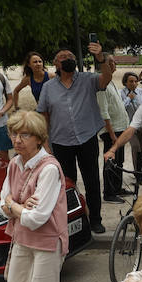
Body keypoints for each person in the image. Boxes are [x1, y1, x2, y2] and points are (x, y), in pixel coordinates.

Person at [0, 111, 72, 282]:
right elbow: (0, 203)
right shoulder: (15, 164)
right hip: (22, 238)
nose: (17, 140)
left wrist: (12, 205)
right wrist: (16, 206)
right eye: (14, 134)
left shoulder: (48, 168)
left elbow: (36, 217)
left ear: (39, 138)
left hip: (48, 241)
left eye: (24, 135)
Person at [37, 42, 115, 234]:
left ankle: (95, 219)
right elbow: (43, 117)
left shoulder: (88, 79)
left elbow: (106, 79)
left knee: (92, 181)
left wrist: (100, 59)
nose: (68, 59)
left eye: (71, 56)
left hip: (86, 138)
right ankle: (71, 221)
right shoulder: (48, 88)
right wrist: (45, 144)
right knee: (65, 185)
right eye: (63, 57)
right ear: (56, 64)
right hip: (60, 142)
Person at [98, 69, 132, 202]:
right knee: (110, 162)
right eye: (110, 62)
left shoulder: (111, 82)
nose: (113, 65)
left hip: (120, 128)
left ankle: (117, 188)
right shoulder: (102, 86)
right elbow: (104, 112)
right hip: (111, 130)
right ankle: (109, 193)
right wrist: (111, 134)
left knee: (119, 161)